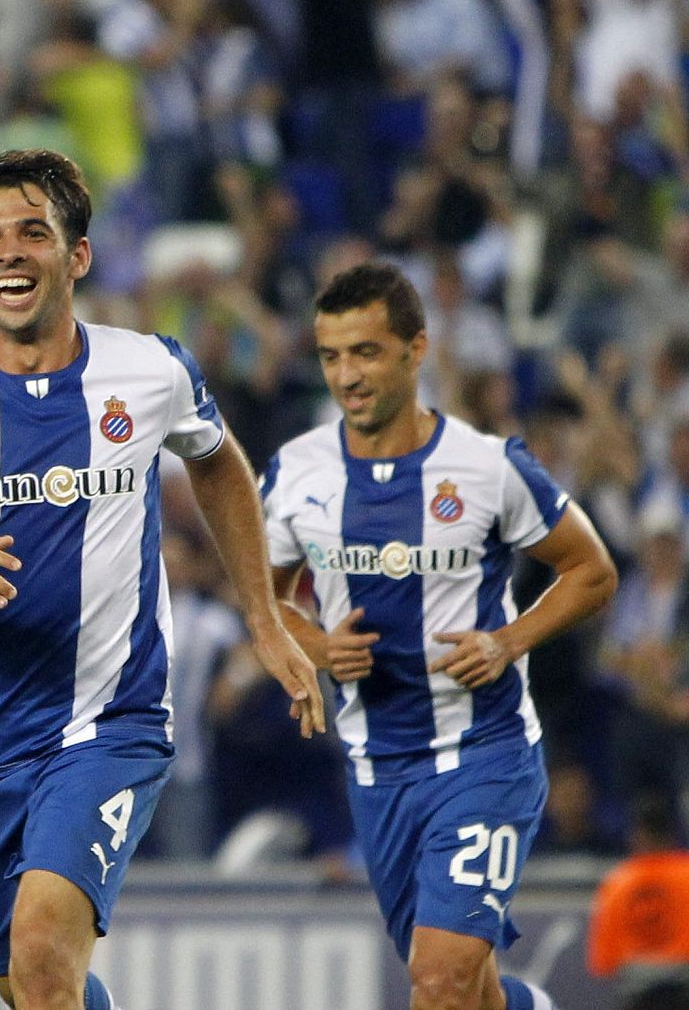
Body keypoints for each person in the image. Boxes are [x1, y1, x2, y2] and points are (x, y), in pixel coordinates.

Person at [0, 147, 324, 1010]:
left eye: (34, 232)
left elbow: (218, 465)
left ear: (77, 255)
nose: (9, 252)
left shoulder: (149, 370)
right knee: (32, 982)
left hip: (111, 724)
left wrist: (264, 615)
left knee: (39, 957)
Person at [262, 262, 618, 1010]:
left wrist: (509, 640)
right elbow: (261, 597)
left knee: (438, 980)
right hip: (377, 767)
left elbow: (591, 570)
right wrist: (317, 647)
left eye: (366, 352)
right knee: (463, 987)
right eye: (330, 356)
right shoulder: (297, 473)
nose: (346, 375)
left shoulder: (488, 467)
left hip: (483, 754)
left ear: (415, 349)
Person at [589, 796, 689, 999]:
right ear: (672, 833)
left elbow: (604, 962)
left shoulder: (617, 883)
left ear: (637, 834)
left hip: (637, 997)